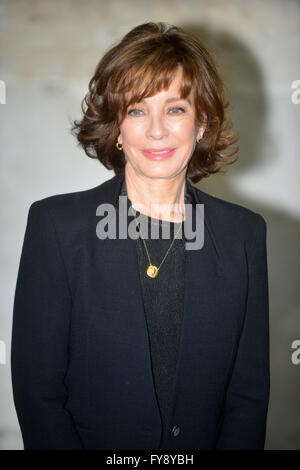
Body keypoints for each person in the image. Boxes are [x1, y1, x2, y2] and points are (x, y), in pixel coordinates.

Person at [11, 22, 270, 450]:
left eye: (175, 109)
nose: (155, 131)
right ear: (116, 125)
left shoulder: (244, 235)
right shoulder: (56, 227)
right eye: (136, 110)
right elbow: (39, 395)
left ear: (202, 123)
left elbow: (247, 398)